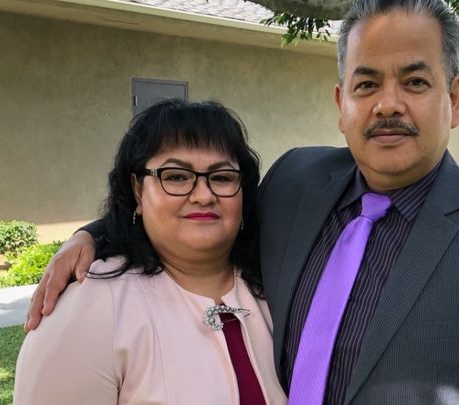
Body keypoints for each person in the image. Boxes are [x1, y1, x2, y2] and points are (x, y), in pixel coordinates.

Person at [26, 0, 459, 403]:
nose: (388, 104)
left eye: (415, 82)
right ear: (342, 103)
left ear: (455, 99)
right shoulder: (297, 182)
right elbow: (198, 208)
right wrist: (93, 235)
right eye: (366, 84)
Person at [14, 99, 286, 404]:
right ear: (137, 191)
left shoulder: (279, 283)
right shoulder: (93, 306)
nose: (203, 195)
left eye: (222, 177)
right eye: (176, 176)